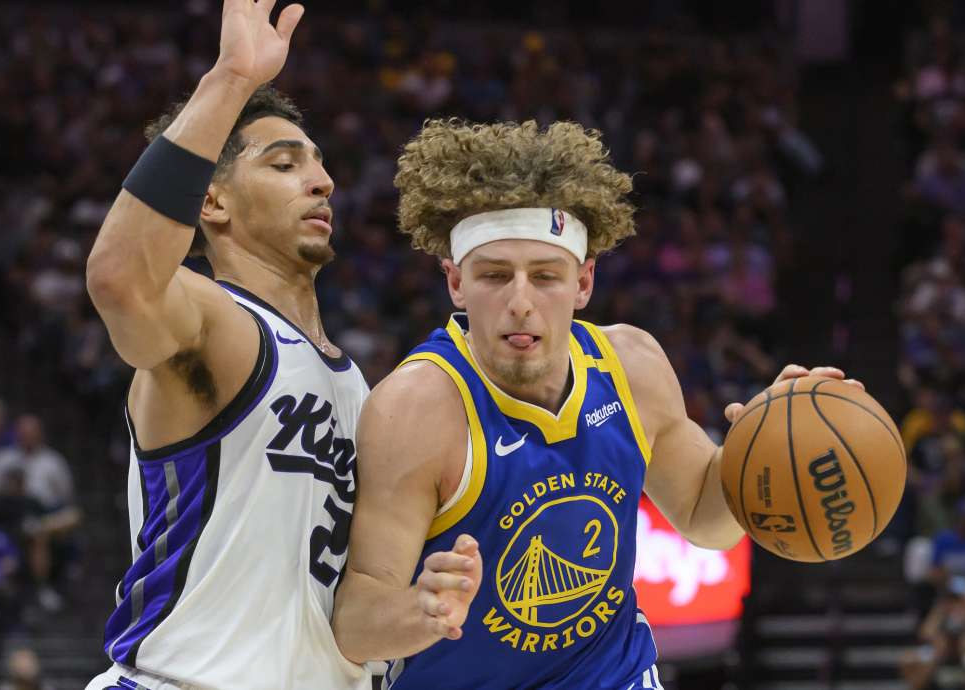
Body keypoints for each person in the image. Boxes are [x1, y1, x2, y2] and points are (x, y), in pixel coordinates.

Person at [332, 119, 860, 688]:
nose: (520, 302)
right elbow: (356, 623)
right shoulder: (415, 408)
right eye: (494, 276)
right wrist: (421, 611)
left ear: (583, 282)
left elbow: (705, 520)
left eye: (545, 277)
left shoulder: (630, 365)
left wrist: (763, 443)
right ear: (456, 282)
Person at [83, 1, 383, 688]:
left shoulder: (357, 384)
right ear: (212, 203)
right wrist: (232, 79)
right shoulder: (217, 321)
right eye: (283, 164)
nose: (322, 181)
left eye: (318, 165)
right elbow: (119, 280)